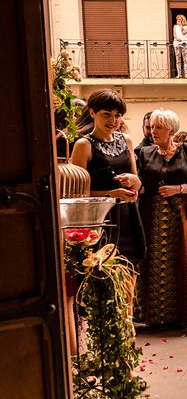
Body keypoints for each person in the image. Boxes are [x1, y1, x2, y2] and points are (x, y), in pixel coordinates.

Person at [136, 109, 187, 330]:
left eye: (158, 128)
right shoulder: (144, 153)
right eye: (152, 127)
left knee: (185, 260)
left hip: (182, 217)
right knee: (156, 265)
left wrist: (178, 189)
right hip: (153, 217)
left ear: (171, 130)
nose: (153, 132)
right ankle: (157, 317)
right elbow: (143, 185)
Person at [70, 89, 145, 267]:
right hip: (100, 222)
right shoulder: (83, 145)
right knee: (103, 278)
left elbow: (139, 184)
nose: (113, 121)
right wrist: (111, 195)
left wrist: (134, 182)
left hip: (130, 218)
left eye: (118, 115)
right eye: (106, 114)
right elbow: (77, 195)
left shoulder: (126, 140)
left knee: (131, 272)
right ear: (92, 113)